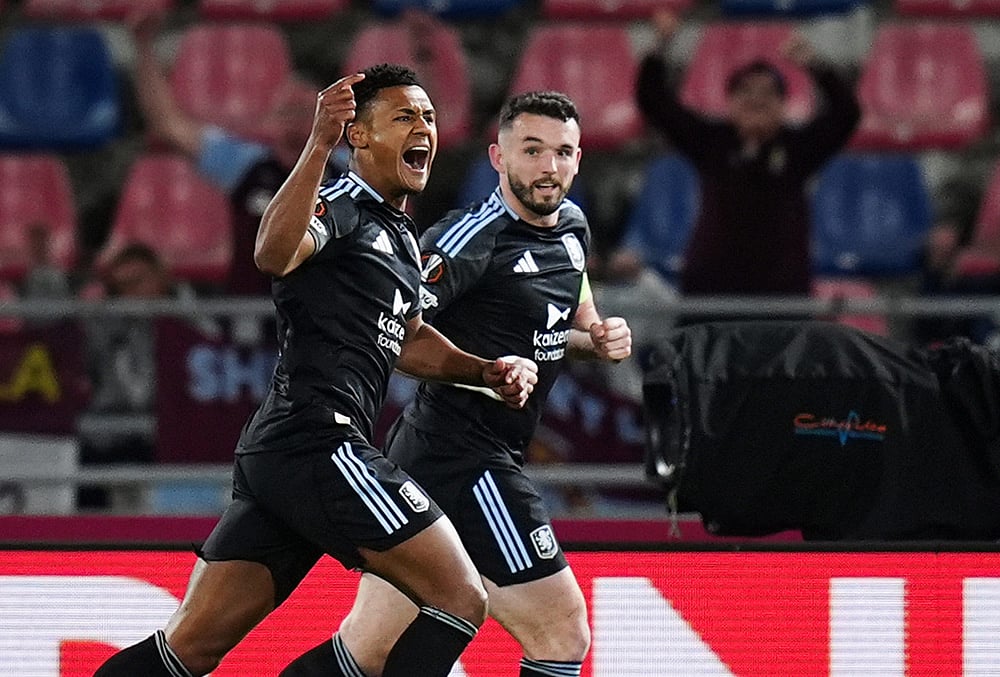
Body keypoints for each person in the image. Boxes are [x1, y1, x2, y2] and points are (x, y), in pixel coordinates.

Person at [93, 63, 540, 677]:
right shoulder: (341, 204)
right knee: (459, 599)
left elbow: (404, 339)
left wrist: (481, 369)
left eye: (430, 117)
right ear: (358, 136)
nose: (424, 129)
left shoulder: (401, 235)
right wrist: (317, 143)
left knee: (188, 650)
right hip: (320, 440)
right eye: (404, 116)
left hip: (286, 449)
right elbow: (272, 253)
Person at [281, 92, 633, 677]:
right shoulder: (466, 242)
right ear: (498, 157)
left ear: (578, 161)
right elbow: (394, 330)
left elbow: (568, 299)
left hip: (431, 456)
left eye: (563, 152)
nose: (548, 166)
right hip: (465, 456)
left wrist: (593, 333)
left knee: (366, 651)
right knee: (562, 631)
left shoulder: (572, 225)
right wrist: (483, 370)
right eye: (532, 150)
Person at [616, 9, 860, 313]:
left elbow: (846, 114)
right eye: (745, 92)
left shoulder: (799, 148)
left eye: (767, 93)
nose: (755, 100)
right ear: (729, 102)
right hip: (711, 297)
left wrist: (816, 66)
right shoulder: (711, 141)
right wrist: (661, 45)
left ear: (784, 105)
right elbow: (653, 101)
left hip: (783, 300)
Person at [129, 5, 328, 296]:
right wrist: (143, 47)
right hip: (250, 313)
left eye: (305, 112)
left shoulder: (346, 170)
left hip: (323, 319)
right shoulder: (246, 164)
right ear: (271, 119)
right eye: (288, 111)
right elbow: (169, 125)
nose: (296, 122)